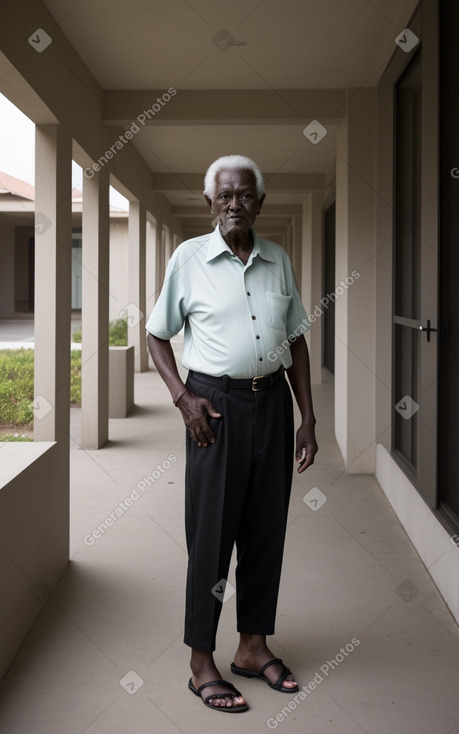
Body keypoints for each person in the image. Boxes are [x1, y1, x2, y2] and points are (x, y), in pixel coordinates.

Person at [146, 154, 318, 713]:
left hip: (271, 404)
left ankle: (252, 646)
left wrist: (307, 416)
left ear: (260, 204)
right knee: (212, 537)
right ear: (209, 202)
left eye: (245, 195)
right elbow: (156, 335)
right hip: (213, 409)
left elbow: (295, 340)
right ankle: (201, 662)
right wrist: (183, 397)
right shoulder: (188, 259)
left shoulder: (277, 259)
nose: (235, 204)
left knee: (266, 531)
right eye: (225, 196)